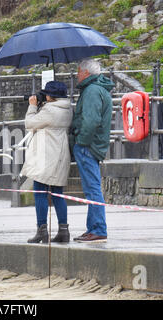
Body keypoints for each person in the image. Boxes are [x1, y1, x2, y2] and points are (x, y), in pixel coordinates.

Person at [21, 81, 73, 244]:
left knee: (39, 191)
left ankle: (42, 230)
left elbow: (29, 124)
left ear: (51, 96)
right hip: (60, 154)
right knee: (58, 193)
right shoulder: (67, 108)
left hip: (46, 156)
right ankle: (64, 231)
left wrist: (32, 106)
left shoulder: (50, 110)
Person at [69, 59, 115, 243]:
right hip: (93, 145)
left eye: (79, 72)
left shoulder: (91, 91)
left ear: (86, 73)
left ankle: (98, 229)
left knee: (93, 188)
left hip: (88, 146)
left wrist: (81, 142)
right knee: (91, 188)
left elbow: (90, 121)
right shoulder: (98, 89)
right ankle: (93, 228)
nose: (77, 75)